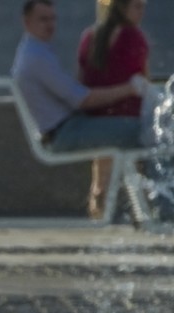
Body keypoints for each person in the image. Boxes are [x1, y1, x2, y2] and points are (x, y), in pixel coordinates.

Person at [12, 0, 147, 157]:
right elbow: (83, 100)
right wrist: (130, 88)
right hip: (64, 133)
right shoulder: (36, 57)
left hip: (66, 127)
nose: (50, 25)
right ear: (26, 22)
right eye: (43, 19)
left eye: (52, 19)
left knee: (137, 130)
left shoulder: (35, 50)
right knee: (144, 131)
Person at [77, 0, 150, 218]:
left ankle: (98, 212)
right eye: (137, 6)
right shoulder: (132, 37)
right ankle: (143, 210)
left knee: (102, 171)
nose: (141, 11)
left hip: (94, 119)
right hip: (126, 118)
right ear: (121, 8)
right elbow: (143, 82)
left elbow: (81, 82)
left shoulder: (89, 37)